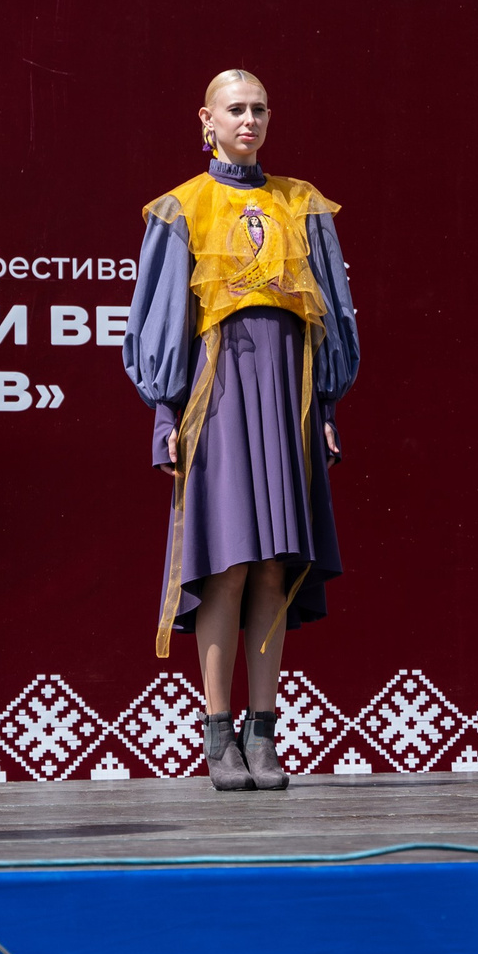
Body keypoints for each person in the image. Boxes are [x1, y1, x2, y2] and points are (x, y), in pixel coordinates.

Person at [122, 69, 360, 793]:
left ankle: (264, 732)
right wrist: (165, 413)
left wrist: (324, 408)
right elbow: (162, 318)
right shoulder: (182, 207)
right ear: (208, 119)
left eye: (258, 108)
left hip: (286, 397)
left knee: (274, 565)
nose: (248, 119)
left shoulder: (302, 202)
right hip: (217, 395)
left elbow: (328, 315)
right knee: (226, 563)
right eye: (235, 109)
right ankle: (217, 732)